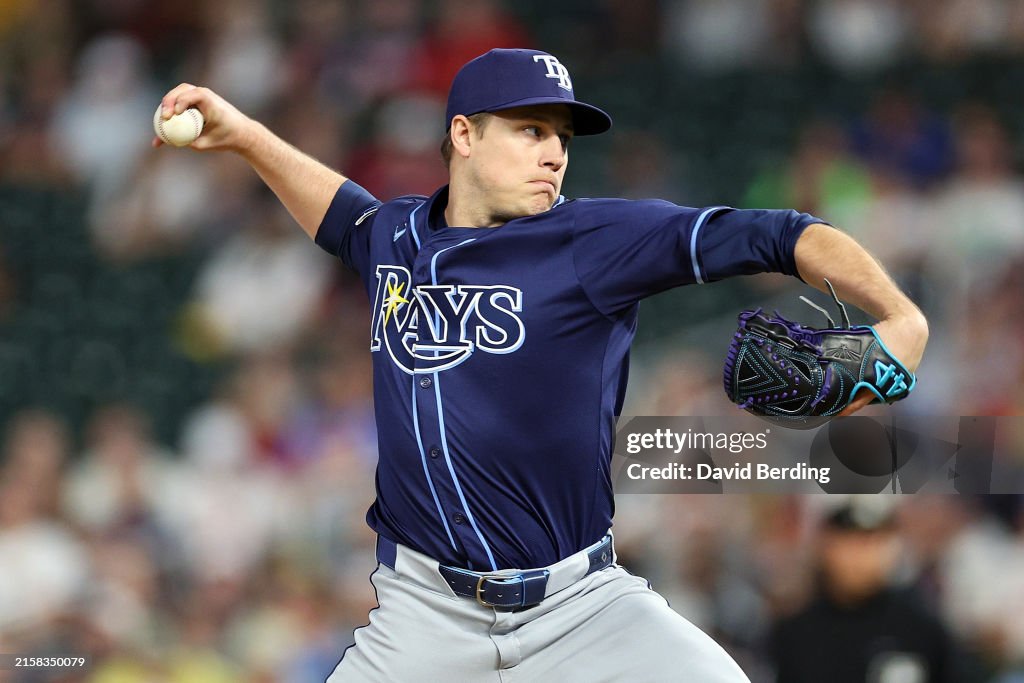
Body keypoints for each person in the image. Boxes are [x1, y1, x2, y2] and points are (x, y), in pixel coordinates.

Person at [155, 48, 928, 682]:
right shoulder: (396, 237)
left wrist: (901, 317)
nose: (555, 152)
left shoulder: (594, 241)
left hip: (581, 605)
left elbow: (780, 233)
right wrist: (246, 136)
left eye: (561, 136)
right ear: (463, 135)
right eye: (530, 130)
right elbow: (342, 215)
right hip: (424, 616)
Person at [770, 498, 984, 683]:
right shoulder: (794, 635)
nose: (860, 557)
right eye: (849, 543)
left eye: (873, 543)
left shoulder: (922, 631)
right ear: (825, 546)